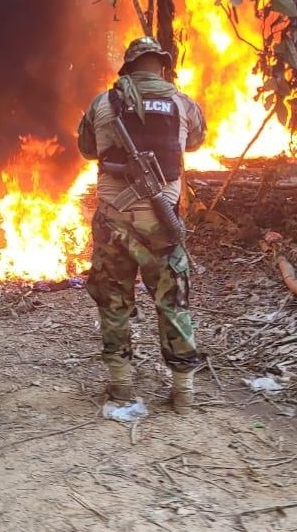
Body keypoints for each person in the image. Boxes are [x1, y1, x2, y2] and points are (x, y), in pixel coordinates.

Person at [77, 36, 207, 413]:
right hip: (161, 223)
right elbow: (196, 142)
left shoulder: (103, 102)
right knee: (172, 303)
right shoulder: (183, 104)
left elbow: (86, 149)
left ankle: (120, 385)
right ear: (161, 66)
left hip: (114, 220)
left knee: (113, 302)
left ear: (129, 68)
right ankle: (184, 392)